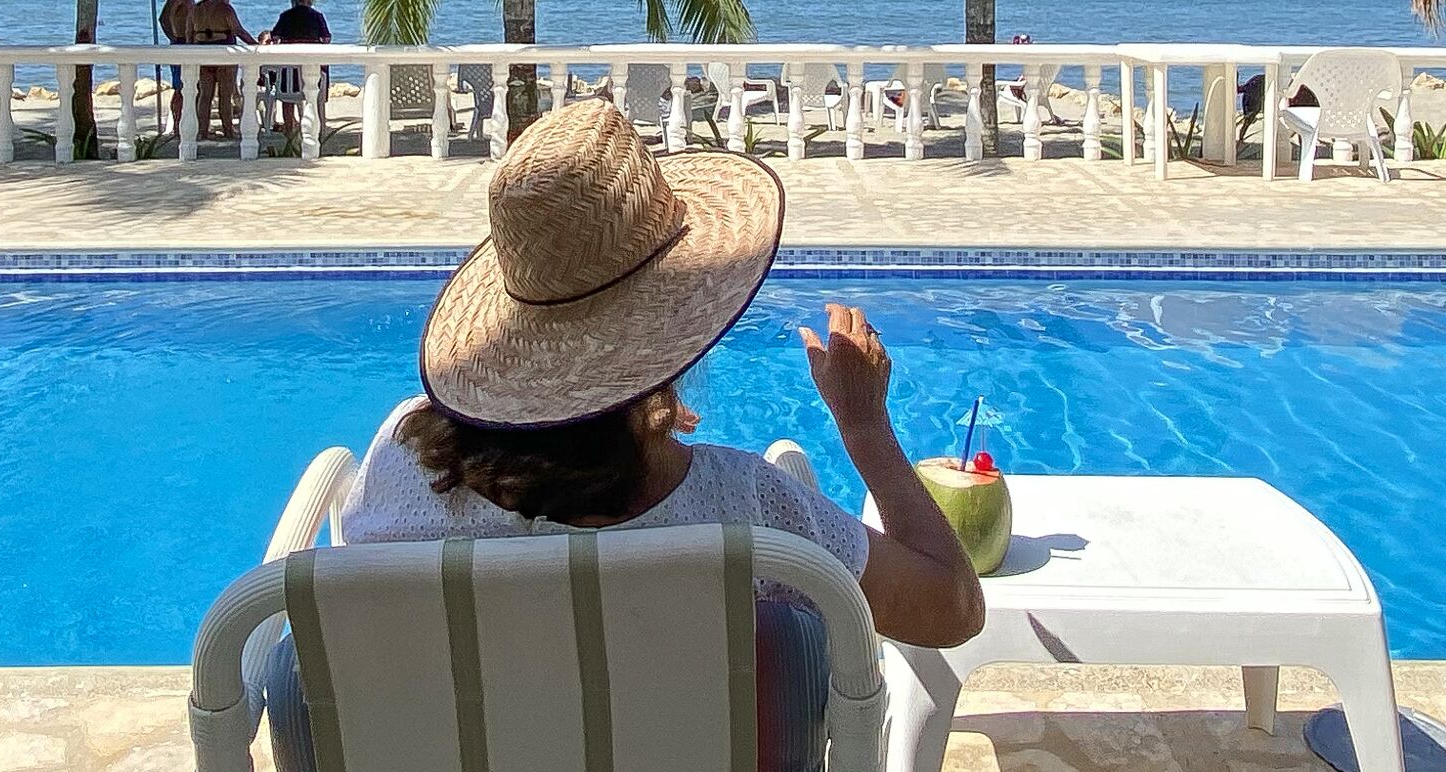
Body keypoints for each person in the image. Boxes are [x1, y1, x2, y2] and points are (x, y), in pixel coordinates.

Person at [336, 96, 986, 648]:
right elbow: (952, 609)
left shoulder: (402, 461)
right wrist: (865, 426)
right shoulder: (744, 510)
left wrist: (620, 411)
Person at [266, 0, 332, 147]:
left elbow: (274, 36)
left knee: (287, 100)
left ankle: (289, 131)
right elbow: (327, 38)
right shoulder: (317, 16)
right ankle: (317, 129)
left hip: (291, 73)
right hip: (312, 71)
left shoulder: (286, 16)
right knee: (315, 95)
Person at [189, 0, 253, 140]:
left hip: (202, 54)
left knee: (205, 95)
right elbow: (238, 30)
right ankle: (228, 130)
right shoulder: (226, 9)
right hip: (225, 53)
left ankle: (202, 131)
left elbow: (190, 35)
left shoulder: (196, 8)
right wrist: (255, 46)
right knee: (225, 95)